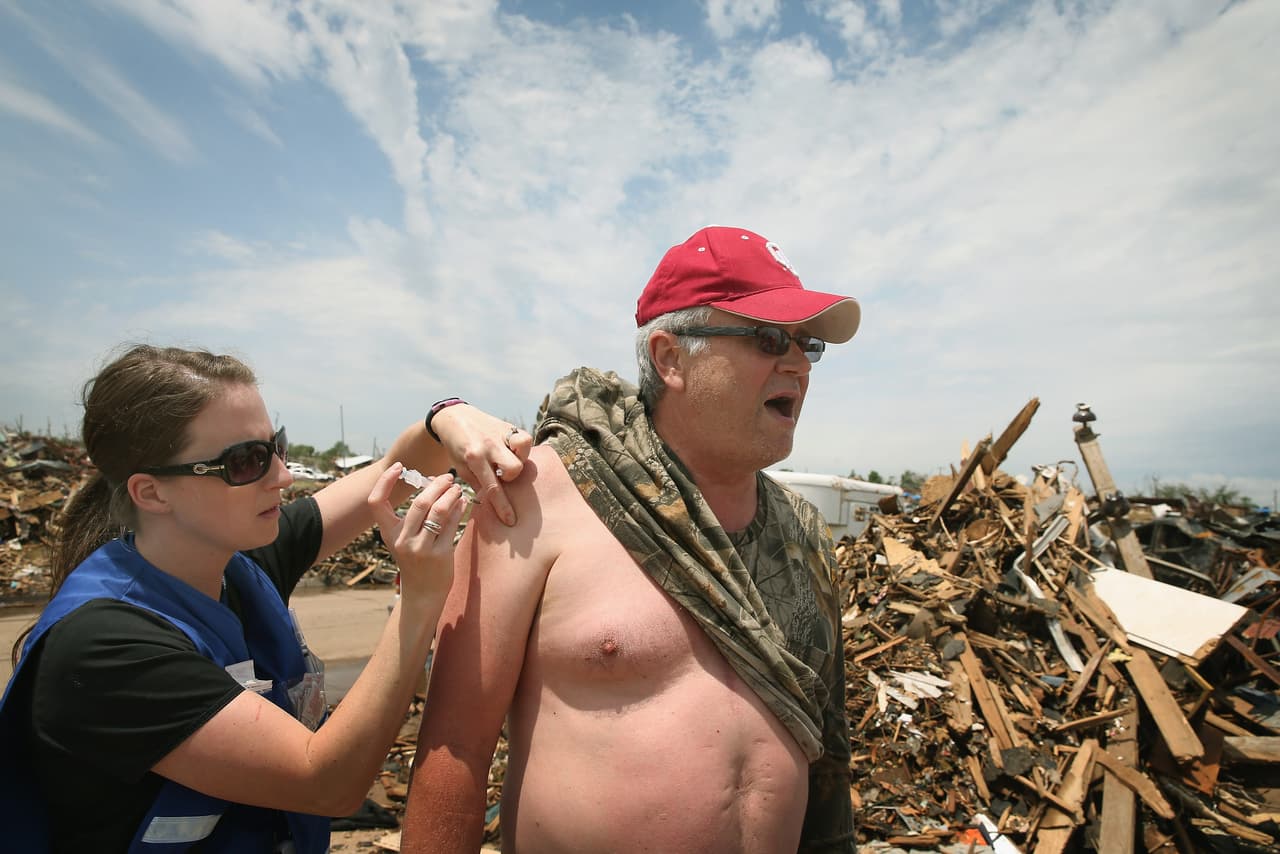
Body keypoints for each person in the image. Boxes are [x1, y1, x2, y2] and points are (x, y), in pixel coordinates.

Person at [402, 226, 860, 852]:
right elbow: (453, 747)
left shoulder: (802, 536)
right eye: (768, 338)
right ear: (671, 357)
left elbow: (828, 757)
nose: (799, 363)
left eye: (808, 345)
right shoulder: (537, 501)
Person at [0, 343, 532, 853]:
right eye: (246, 462)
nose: (282, 476)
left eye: (274, 446)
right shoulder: (105, 648)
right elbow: (325, 783)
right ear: (151, 492)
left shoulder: (233, 558)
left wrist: (446, 417)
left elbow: (389, 474)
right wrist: (419, 599)